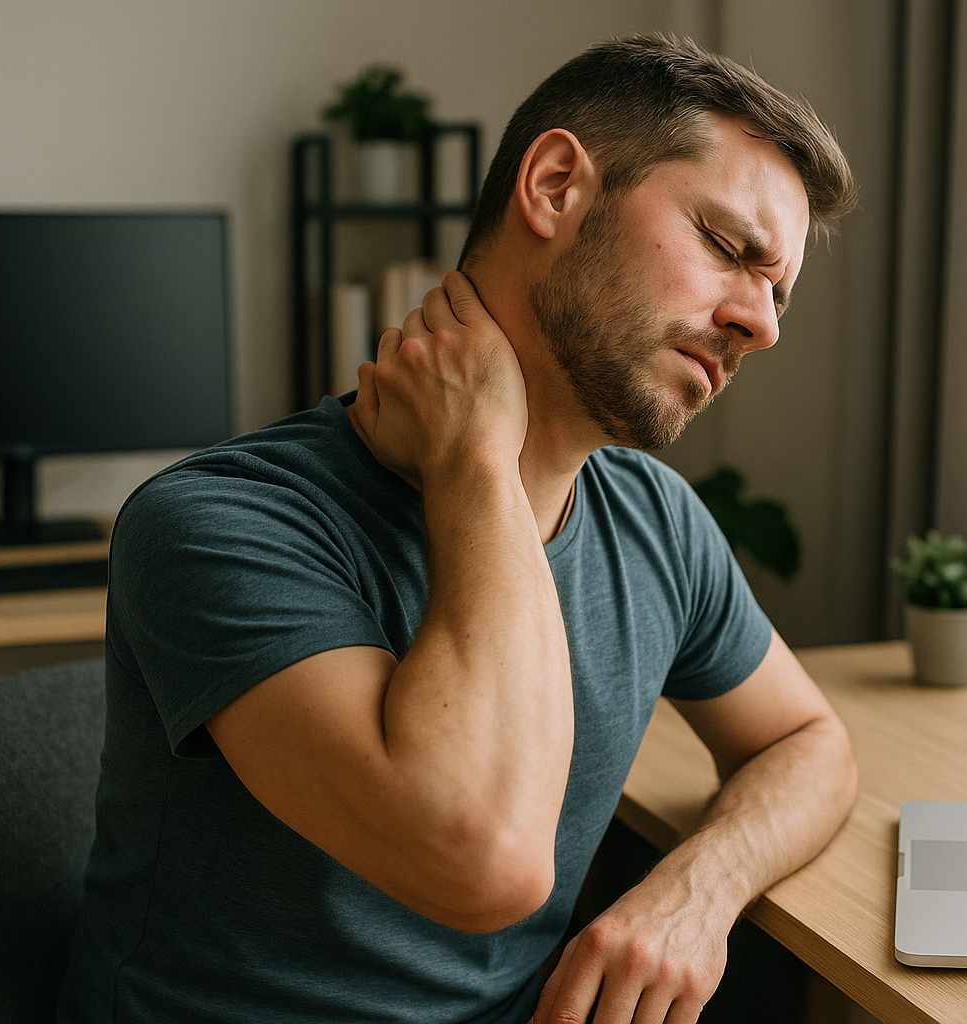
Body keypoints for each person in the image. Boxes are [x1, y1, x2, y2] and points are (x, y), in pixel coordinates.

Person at [58, 33, 859, 1024]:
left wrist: (696, 890)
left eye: (778, 292)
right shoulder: (220, 524)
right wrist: (480, 460)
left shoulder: (655, 522)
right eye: (731, 248)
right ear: (558, 185)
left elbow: (809, 741)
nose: (764, 325)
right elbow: (487, 858)